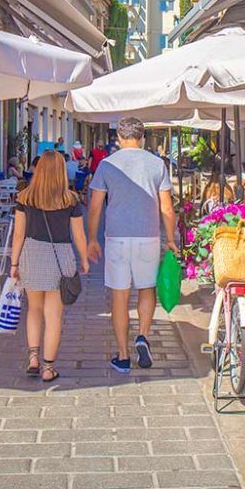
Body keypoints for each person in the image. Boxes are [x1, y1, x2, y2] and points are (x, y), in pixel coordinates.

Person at [87, 117, 178, 374]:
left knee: (119, 295)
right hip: (148, 236)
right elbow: (167, 208)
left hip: (116, 238)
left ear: (118, 137)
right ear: (143, 138)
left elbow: (94, 208)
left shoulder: (106, 165)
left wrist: (92, 238)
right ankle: (143, 335)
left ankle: (123, 355)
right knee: (147, 288)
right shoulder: (157, 164)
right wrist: (170, 239)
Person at [11, 151, 89, 383]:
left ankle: (33, 358)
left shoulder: (25, 197)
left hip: (31, 254)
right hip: (60, 256)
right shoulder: (70, 199)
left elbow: (18, 235)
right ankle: (48, 368)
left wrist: (14, 263)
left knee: (33, 310)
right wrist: (84, 259)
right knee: (54, 316)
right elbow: (79, 235)